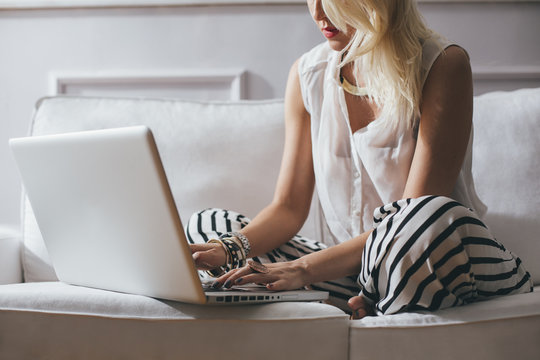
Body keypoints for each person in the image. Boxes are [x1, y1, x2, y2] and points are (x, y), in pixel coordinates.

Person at [188, 0, 532, 318]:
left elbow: (407, 220)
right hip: (355, 272)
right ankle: (371, 299)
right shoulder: (308, 74)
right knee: (210, 226)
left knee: (423, 219)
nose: (319, 13)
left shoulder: (442, 65)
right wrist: (232, 248)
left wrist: (304, 269)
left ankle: (374, 296)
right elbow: (289, 206)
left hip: (440, 256)